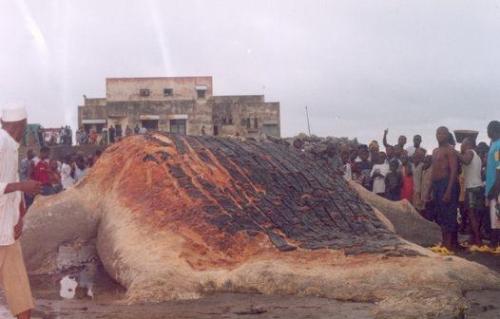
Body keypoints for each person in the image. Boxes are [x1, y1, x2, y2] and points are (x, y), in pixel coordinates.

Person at [0, 104, 42, 319]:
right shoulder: (2, 142)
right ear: (21, 125)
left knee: (18, 286)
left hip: (8, 231)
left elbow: (13, 185)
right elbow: (13, 185)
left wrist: (19, 218)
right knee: (18, 285)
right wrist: (21, 187)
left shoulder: (12, 147)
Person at [432, 126, 459, 251]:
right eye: (438, 133)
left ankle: (449, 244)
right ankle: (444, 242)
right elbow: (433, 171)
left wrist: (448, 190)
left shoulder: (450, 150)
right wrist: (429, 190)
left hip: (447, 184)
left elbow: (453, 171)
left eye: (443, 133)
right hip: (437, 185)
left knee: (449, 214)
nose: (440, 135)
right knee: (440, 214)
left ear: (447, 135)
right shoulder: (435, 151)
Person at [456, 137, 484, 245]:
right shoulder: (477, 157)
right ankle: (474, 237)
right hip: (479, 186)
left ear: (468, 144)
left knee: (471, 214)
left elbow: (466, 161)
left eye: (462, 144)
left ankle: (477, 240)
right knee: (476, 215)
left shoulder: (469, 152)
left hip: (471, 188)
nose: (461, 146)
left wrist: (455, 152)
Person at [486, 120, 500, 248]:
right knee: (495, 217)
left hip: (497, 188)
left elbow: (499, 167)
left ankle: (494, 243)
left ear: (493, 130)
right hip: (494, 186)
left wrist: (495, 188)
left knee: (496, 216)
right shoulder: (493, 145)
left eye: (488, 129)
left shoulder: (498, 146)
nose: (487, 132)